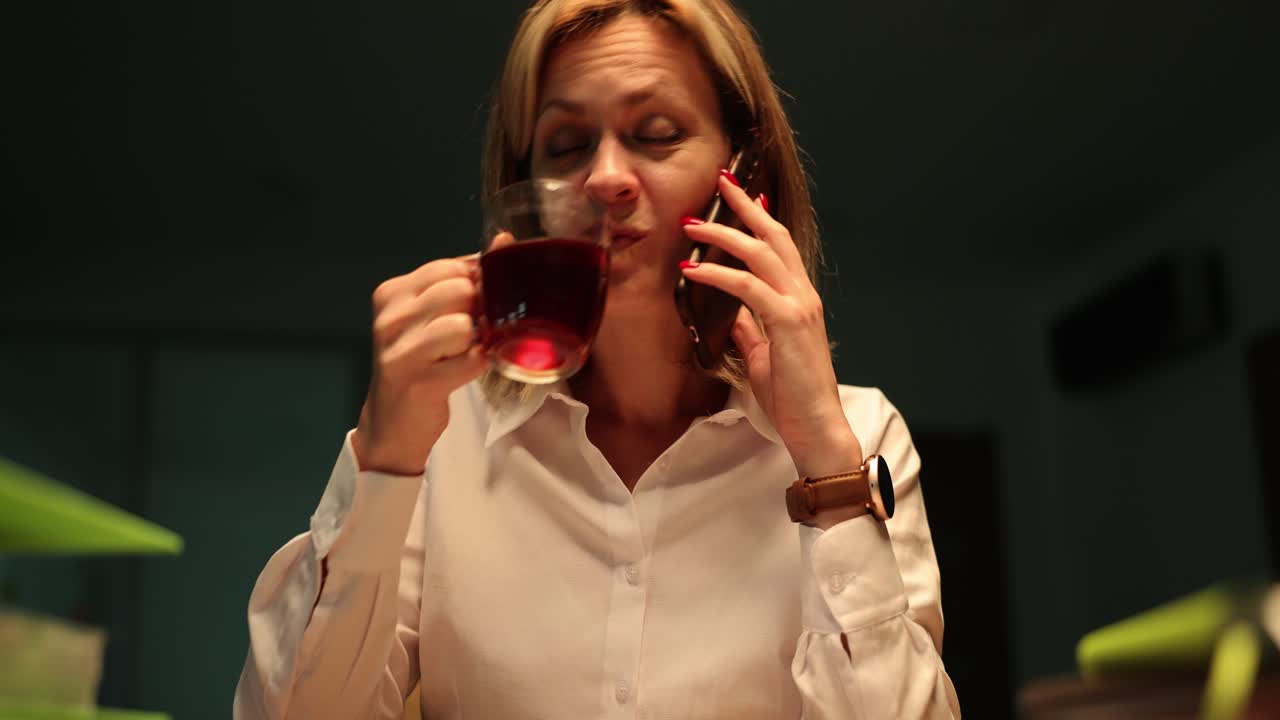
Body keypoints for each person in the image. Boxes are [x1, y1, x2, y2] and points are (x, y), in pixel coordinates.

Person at [234, 0, 960, 717]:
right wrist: (384, 461)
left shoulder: (857, 436)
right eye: (566, 144)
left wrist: (825, 467)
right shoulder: (444, 440)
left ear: (742, 173)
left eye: (657, 133)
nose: (604, 178)